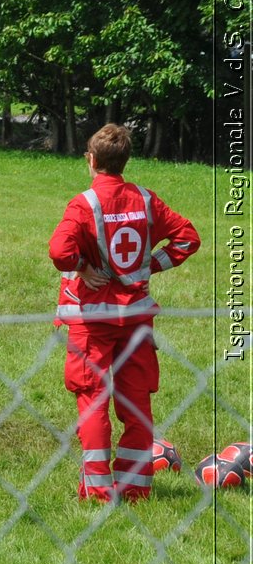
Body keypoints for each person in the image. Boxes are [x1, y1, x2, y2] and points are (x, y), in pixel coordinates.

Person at [49, 124, 199, 502]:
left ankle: (98, 490)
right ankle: (134, 489)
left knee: (92, 399)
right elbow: (187, 237)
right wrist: (152, 264)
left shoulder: (84, 204)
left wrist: (83, 266)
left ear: (92, 160)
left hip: (91, 322)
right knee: (136, 402)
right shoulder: (146, 200)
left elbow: (59, 252)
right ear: (125, 161)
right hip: (136, 319)